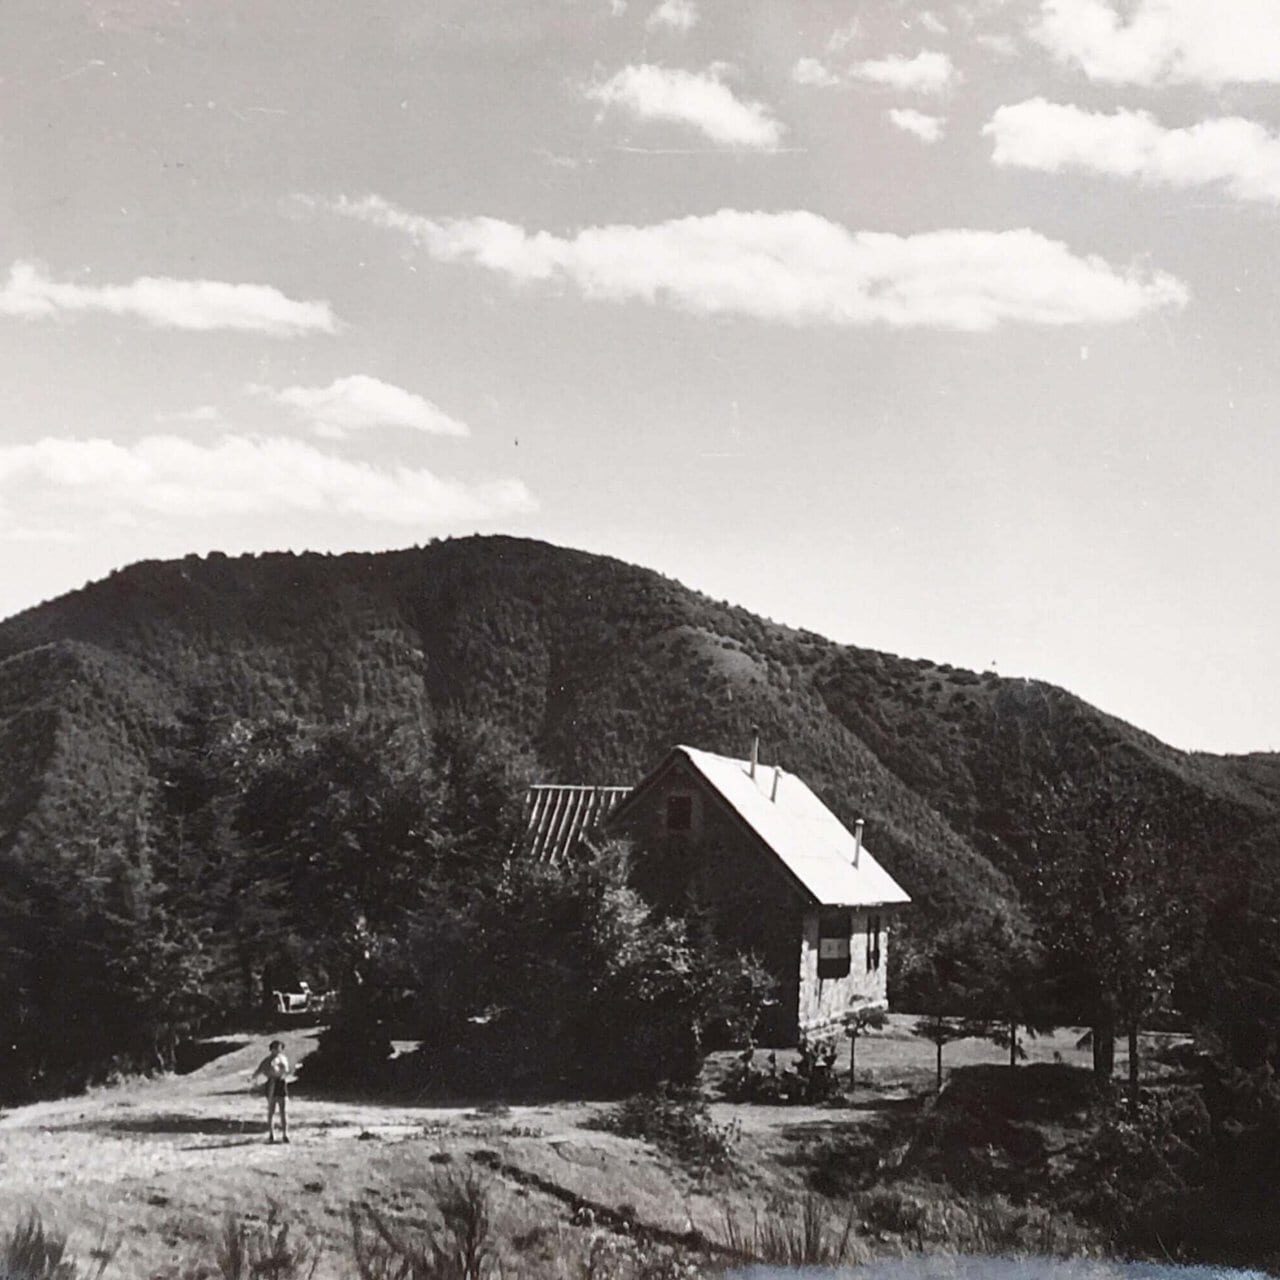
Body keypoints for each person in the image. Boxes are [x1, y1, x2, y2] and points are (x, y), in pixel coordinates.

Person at [251, 1039, 292, 1143]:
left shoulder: (283, 1059)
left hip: (281, 1084)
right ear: (272, 1049)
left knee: (284, 1110)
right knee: (271, 1111)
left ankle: (285, 1134)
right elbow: (258, 1071)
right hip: (271, 1084)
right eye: (275, 1048)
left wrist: (283, 1071)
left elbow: (287, 1071)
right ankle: (271, 1134)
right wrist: (254, 1080)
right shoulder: (267, 1060)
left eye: (279, 1048)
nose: (278, 1050)